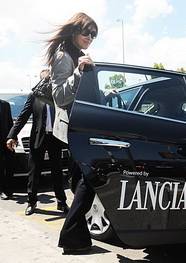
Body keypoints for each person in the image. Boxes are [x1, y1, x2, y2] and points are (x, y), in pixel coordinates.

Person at [44, 12, 97, 254]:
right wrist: (79, 71)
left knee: (82, 181)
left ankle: (77, 237)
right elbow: (60, 97)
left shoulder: (78, 56)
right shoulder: (63, 56)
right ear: (75, 31)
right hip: (73, 129)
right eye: (87, 32)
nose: (90, 37)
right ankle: (70, 235)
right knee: (89, 179)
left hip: (83, 126)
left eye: (94, 34)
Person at [7, 69, 69, 215]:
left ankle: (61, 202)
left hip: (55, 139)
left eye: (50, 79)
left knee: (57, 172)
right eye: (45, 79)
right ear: (40, 81)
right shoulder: (34, 96)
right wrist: (12, 135)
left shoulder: (58, 96)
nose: (48, 81)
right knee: (34, 172)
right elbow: (23, 116)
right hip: (37, 138)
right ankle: (32, 202)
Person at [0, 99, 15, 200]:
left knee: (11, 163)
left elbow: (10, 122)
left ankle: (8, 186)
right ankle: (3, 189)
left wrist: (13, 137)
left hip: (5, 139)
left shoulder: (5, 104)